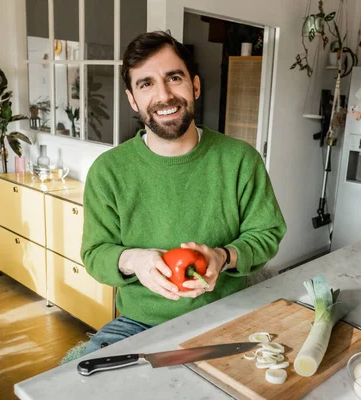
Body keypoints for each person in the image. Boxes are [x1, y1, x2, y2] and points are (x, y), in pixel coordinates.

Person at [78, 31, 287, 357]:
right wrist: (134, 260)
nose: (163, 95)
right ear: (132, 99)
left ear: (196, 86)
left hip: (227, 314)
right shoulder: (108, 171)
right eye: (146, 84)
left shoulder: (240, 160)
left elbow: (267, 233)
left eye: (174, 78)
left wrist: (224, 256)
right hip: (139, 322)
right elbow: (94, 254)